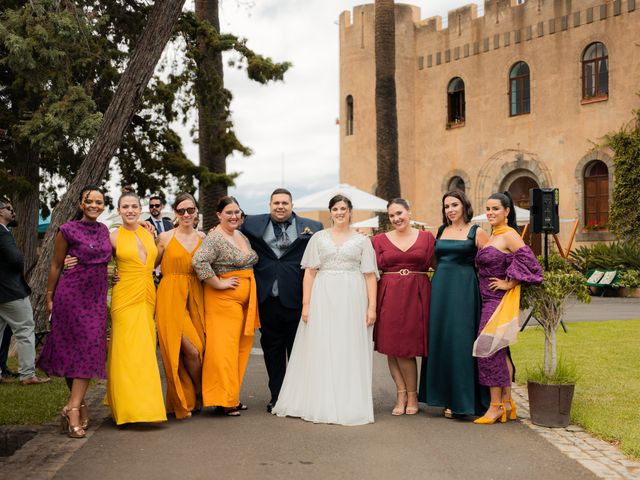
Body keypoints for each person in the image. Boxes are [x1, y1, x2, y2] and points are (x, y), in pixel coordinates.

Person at [272, 195, 378, 425]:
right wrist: (306, 305)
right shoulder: (318, 238)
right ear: (330, 212)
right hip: (323, 297)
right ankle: (320, 399)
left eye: (343, 208)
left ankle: (347, 401)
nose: (340, 212)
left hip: (352, 297)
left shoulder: (362, 241)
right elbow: (309, 272)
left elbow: (370, 275)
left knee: (347, 346)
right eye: (335, 209)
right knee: (322, 345)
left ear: (350, 211)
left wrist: (372, 307)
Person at [37, 186, 112, 437]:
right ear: (81, 204)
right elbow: (56, 265)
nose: (94, 205)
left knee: (89, 348)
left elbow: (108, 258)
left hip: (96, 298)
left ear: (103, 205)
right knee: (74, 351)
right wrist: (50, 297)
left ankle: (74, 404)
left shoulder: (103, 230)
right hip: (71, 295)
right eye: (89, 201)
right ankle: (75, 408)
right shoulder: (67, 230)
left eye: (98, 202)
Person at [241, 188, 322, 412]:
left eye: (284, 203)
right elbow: (227, 229)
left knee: (299, 351)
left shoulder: (313, 228)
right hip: (268, 299)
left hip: (298, 298)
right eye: (276, 202)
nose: (280, 206)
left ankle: (299, 397)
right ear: (269, 205)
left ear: (292, 204)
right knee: (272, 351)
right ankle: (276, 396)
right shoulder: (251, 225)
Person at [419, 190, 490, 418]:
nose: (450, 209)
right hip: (440, 289)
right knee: (442, 340)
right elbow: (433, 261)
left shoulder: (476, 231)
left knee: (461, 341)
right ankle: (443, 397)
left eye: (454, 205)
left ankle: (464, 401)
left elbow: (491, 261)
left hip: (465, 290)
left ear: (464, 206)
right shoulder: (441, 231)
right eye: (446, 206)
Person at [473, 192, 542, 424]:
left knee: (488, 350)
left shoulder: (510, 235)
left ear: (507, 212)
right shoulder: (494, 235)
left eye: (495, 209)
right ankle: (507, 403)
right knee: (499, 351)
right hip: (484, 299)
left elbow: (532, 264)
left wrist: (510, 282)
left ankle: (495, 407)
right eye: (488, 209)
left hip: (497, 301)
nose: (490, 213)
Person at [192, 196, 260, 416]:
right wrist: (217, 283)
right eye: (229, 212)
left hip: (243, 302)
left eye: (237, 212)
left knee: (239, 350)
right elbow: (199, 261)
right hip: (222, 301)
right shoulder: (215, 238)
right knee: (223, 350)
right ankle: (223, 399)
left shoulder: (240, 235)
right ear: (219, 215)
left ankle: (231, 396)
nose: (234, 216)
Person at [105, 189, 166, 425]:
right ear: (119, 211)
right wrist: (108, 274)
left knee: (146, 350)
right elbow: (95, 256)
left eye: (134, 207)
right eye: (125, 207)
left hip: (148, 294)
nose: (130, 210)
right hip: (124, 296)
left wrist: (142, 224)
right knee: (126, 351)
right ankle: (128, 409)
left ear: (140, 209)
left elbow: (156, 260)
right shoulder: (111, 236)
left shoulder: (149, 232)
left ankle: (144, 405)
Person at [373, 198, 435, 416]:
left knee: (406, 348)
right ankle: (401, 393)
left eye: (399, 213)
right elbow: (370, 271)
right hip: (389, 294)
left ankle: (413, 394)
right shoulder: (378, 240)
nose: (396, 218)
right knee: (392, 346)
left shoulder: (427, 238)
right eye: (391, 215)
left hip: (416, 294)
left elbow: (439, 265)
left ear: (409, 212)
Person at [155, 193, 206, 419]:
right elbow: (147, 265)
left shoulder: (204, 237)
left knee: (199, 349)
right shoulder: (164, 238)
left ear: (196, 213)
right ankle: (196, 392)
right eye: (181, 210)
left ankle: (193, 395)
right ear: (175, 213)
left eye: (190, 210)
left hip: (196, 296)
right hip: (169, 297)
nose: (186, 214)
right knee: (188, 350)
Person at [0, 198, 50, 386]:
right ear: (0, 212)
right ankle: (28, 374)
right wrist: (19, 261)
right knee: (25, 329)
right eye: (9, 209)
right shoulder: (2, 233)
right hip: (11, 291)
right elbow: (15, 260)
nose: (13, 212)